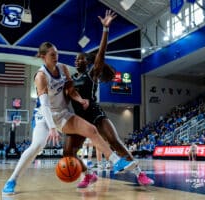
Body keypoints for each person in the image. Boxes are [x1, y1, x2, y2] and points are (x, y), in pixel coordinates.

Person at [2, 41, 133, 195]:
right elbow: (44, 105)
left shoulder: (63, 68)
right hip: (44, 117)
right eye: (52, 55)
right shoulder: (41, 76)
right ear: (44, 57)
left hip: (62, 114)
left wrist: (80, 100)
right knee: (37, 146)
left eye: (57, 53)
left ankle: (116, 162)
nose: (56, 57)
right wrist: (52, 127)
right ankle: (12, 180)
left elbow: (71, 90)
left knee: (91, 130)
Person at [63, 10, 154, 188]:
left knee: (114, 141)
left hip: (94, 113)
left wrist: (105, 30)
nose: (77, 61)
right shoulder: (70, 80)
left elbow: (101, 54)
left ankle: (139, 174)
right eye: (75, 59)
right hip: (79, 118)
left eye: (80, 59)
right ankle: (88, 175)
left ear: (87, 62)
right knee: (68, 152)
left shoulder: (92, 73)